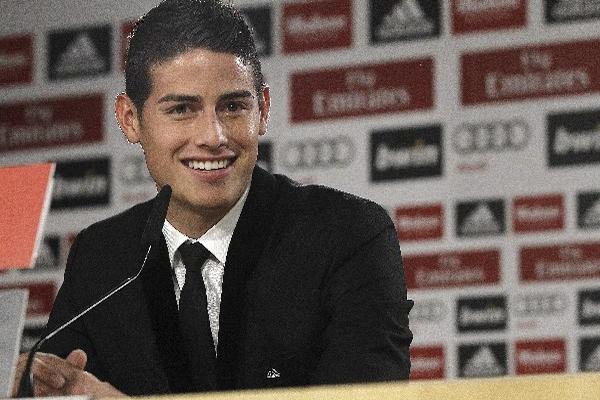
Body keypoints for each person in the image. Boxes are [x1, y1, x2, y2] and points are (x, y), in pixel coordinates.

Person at [12, 0, 413, 397]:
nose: (213, 136)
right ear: (130, 120)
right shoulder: (102, 258)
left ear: (264, 109)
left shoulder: (348, 236)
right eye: (182, 109)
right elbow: (56, 384)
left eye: (234, 106)